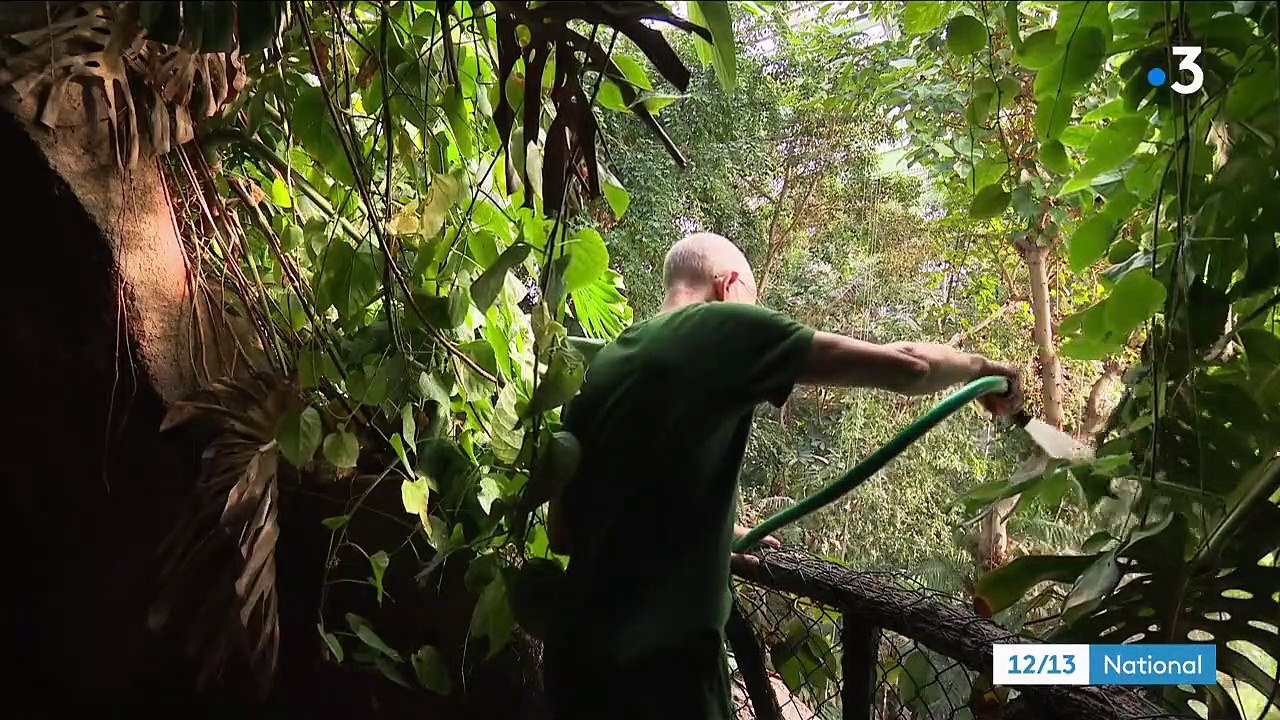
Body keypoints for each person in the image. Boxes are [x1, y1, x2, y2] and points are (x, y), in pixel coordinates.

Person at [541, 232, 1022, 720]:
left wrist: (711, 534)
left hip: (574, 665)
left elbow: (566, 532)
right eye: (753, 299)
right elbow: (910, 367)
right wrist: (984, 368)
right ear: (728, 285)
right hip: (663, 678)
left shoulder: (603, 366)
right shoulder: (721, 326)